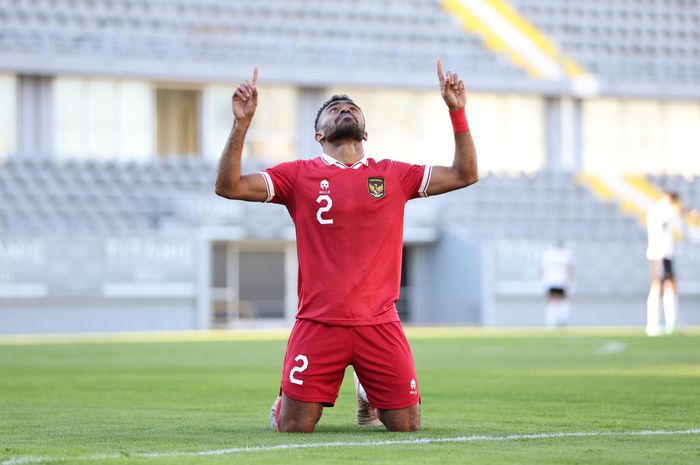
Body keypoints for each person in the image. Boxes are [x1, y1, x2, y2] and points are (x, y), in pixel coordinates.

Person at [215, 60, 477, 433]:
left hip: (380, 322)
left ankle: (368, 392)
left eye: (352, 108)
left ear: (365, 132)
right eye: (334, 110)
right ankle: (286, 398)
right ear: (318, 135)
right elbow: (229, 186)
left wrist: (457, 112)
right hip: (319, 322)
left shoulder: (394, 174)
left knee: (406, 427)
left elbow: (465, 174)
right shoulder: (297, 175)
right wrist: (241, 124)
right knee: (293, 428)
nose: (344, 109)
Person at [645, 191, 686, 336]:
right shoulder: (658, 210)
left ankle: (672, 321)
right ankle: (653, 324)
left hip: (667, 254)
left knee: (671, 286)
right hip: (658, 253)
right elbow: (676, 211)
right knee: (658, 286)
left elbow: (679, 226)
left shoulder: (667, 211)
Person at [540, 241, 574, 328]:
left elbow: (542, 268)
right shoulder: (565, 253)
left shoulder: (548, 253)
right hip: (561, 280)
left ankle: (551, 323)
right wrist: (569, 279)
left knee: (552, 301)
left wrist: (543, 280)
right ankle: (562, 320)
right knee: (563, 300)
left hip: (550, 280)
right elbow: (568, 267)